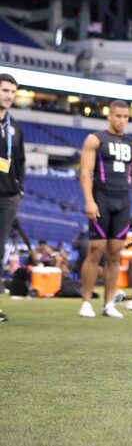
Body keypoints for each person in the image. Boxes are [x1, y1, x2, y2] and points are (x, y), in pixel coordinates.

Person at [79, 99, 132, 318]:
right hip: (101, 199)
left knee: (116, 254)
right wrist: (89, 201)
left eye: (126, 117)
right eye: (118, 116)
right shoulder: (96, 139)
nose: (122, 120)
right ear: (109, 115)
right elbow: (85, 172)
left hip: (122, 202)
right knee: (95, 251)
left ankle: (108, 304)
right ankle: (86, 302)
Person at [0, 74, 24, 323]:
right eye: (5, 90)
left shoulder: (15, 127)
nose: (9, 96)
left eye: (13, 92)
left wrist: (20, 188)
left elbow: (20, 161)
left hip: (8, 196)